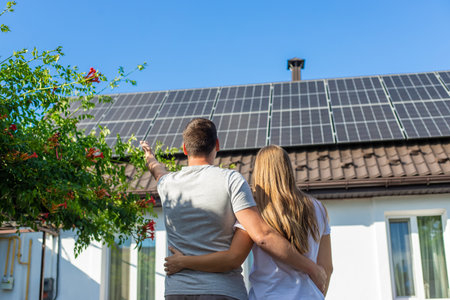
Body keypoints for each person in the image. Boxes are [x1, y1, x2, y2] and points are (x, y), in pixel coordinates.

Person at [141, 118, 326, 300]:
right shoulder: (231, 180)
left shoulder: (167, 184)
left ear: (184, 148)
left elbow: (158, 171)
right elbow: (260, 238)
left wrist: (150, 158)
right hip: (222, 291)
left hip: (177, 291)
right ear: (217, 145)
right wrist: (313, 269)